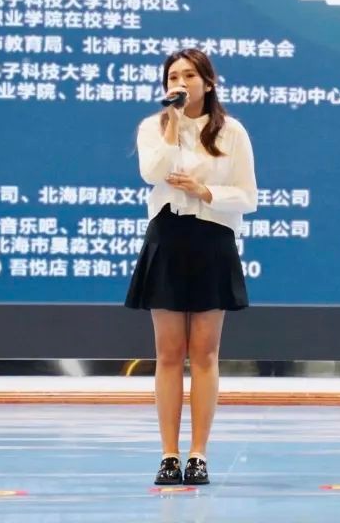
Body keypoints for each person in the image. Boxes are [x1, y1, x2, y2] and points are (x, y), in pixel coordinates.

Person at [124, 49, 258, 486]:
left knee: (204, 352)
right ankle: (168, 454)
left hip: (212, 238)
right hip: (167, 237)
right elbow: (152, 173)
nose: (179, 83)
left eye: (189, 76)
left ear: (208, 82)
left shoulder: (231, 131)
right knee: (167, 353)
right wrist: (171, 123)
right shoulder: (154, 126)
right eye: (172, 77)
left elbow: (248, 196)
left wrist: (205, 192)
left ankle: (199, 453)